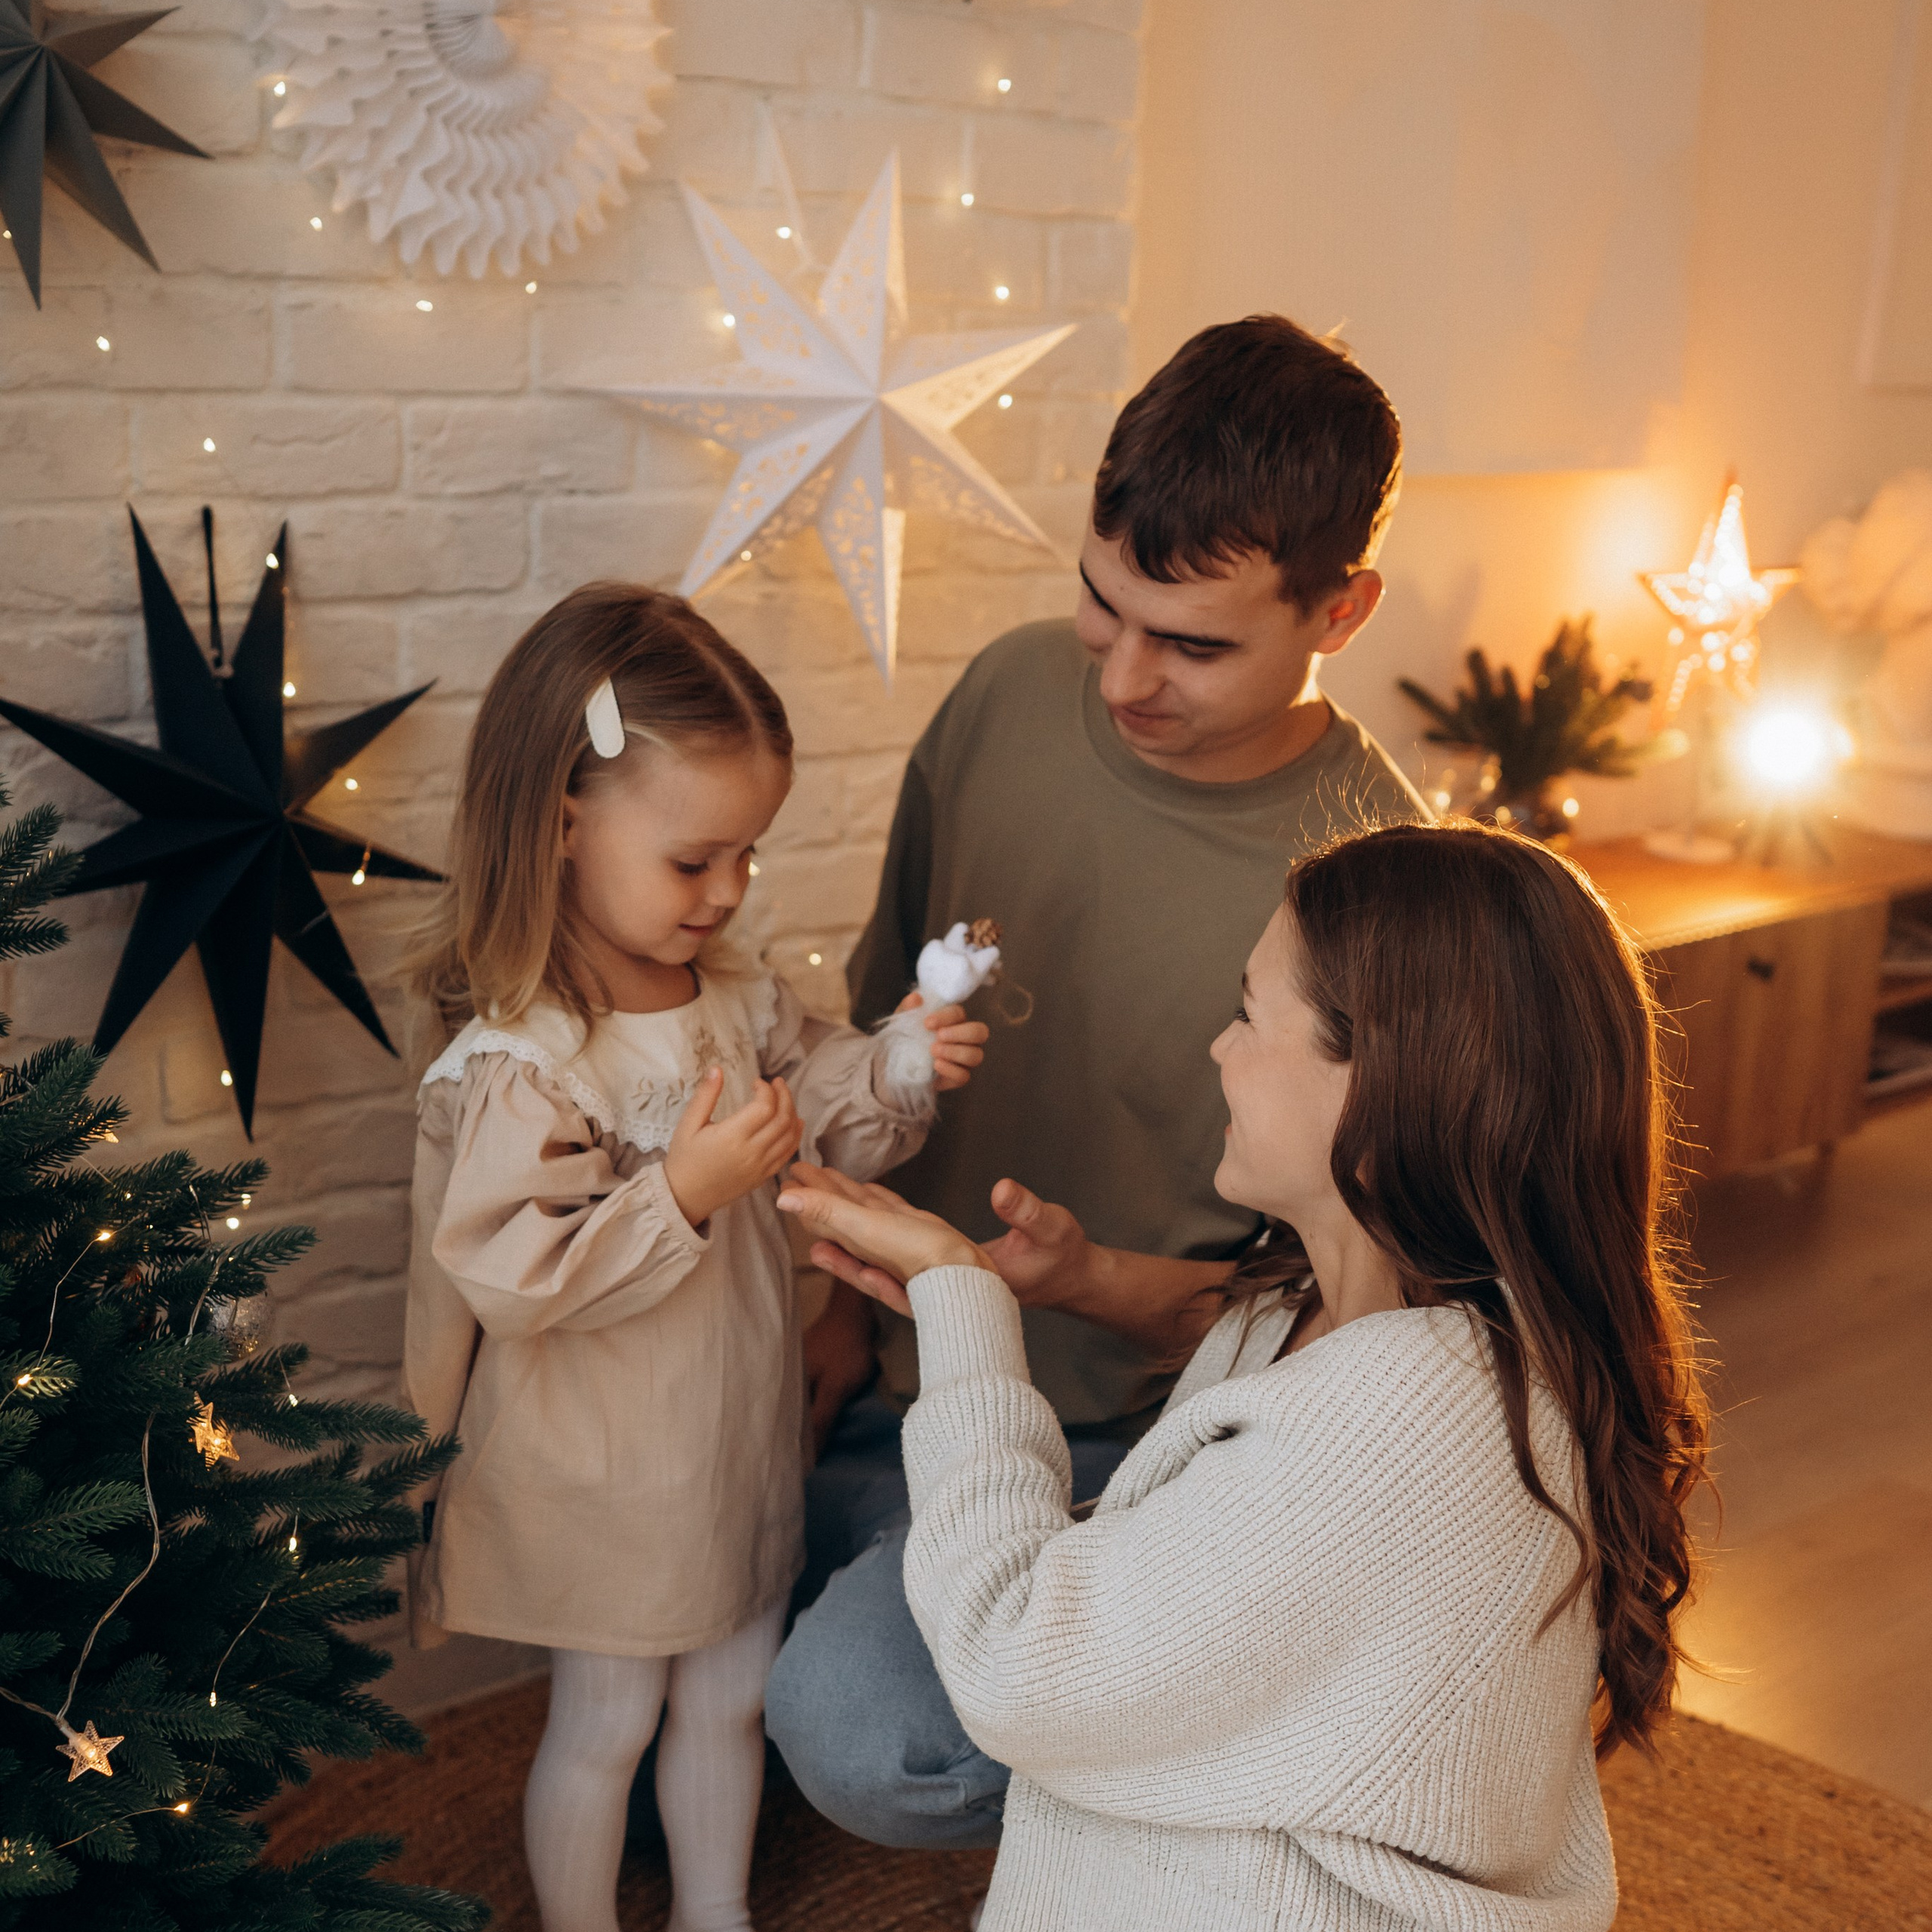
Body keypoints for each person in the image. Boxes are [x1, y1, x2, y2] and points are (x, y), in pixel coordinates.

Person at [777, 821, 1710, 1932]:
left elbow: (1016, 1666)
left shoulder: (1401, 1430)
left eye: (1249, 1015)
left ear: (1383, 1078)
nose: (1218, 1049)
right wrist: (1010, 1285)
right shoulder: (1343, 1312)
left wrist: (959, 1305)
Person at [769, 315, 1429, 1846]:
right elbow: (870, 1036)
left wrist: (1093, 1282)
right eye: (1099, 602)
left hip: (1130, 1447)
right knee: (637, 1589)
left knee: (863, 1739)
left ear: (1341, 609)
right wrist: (819, 1314)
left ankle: (1177, 1711)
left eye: (1192, 643)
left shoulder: (1379, 889)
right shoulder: (1004, 693)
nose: (1124, 674)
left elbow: (1358, 1330)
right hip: (885, 1372)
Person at [399, 584, 988, 1932]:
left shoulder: (736, 996)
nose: (724, 893)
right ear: (560, 825)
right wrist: (681, 1190)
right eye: (691, 861)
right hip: (602, 1464)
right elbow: (513, 1273)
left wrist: (896, 1053)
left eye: (747, 860)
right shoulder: (528, 1058)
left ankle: (714, 1915)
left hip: (724, 1435)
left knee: (732, 1694)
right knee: (607, 1719)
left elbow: (821, 1100)